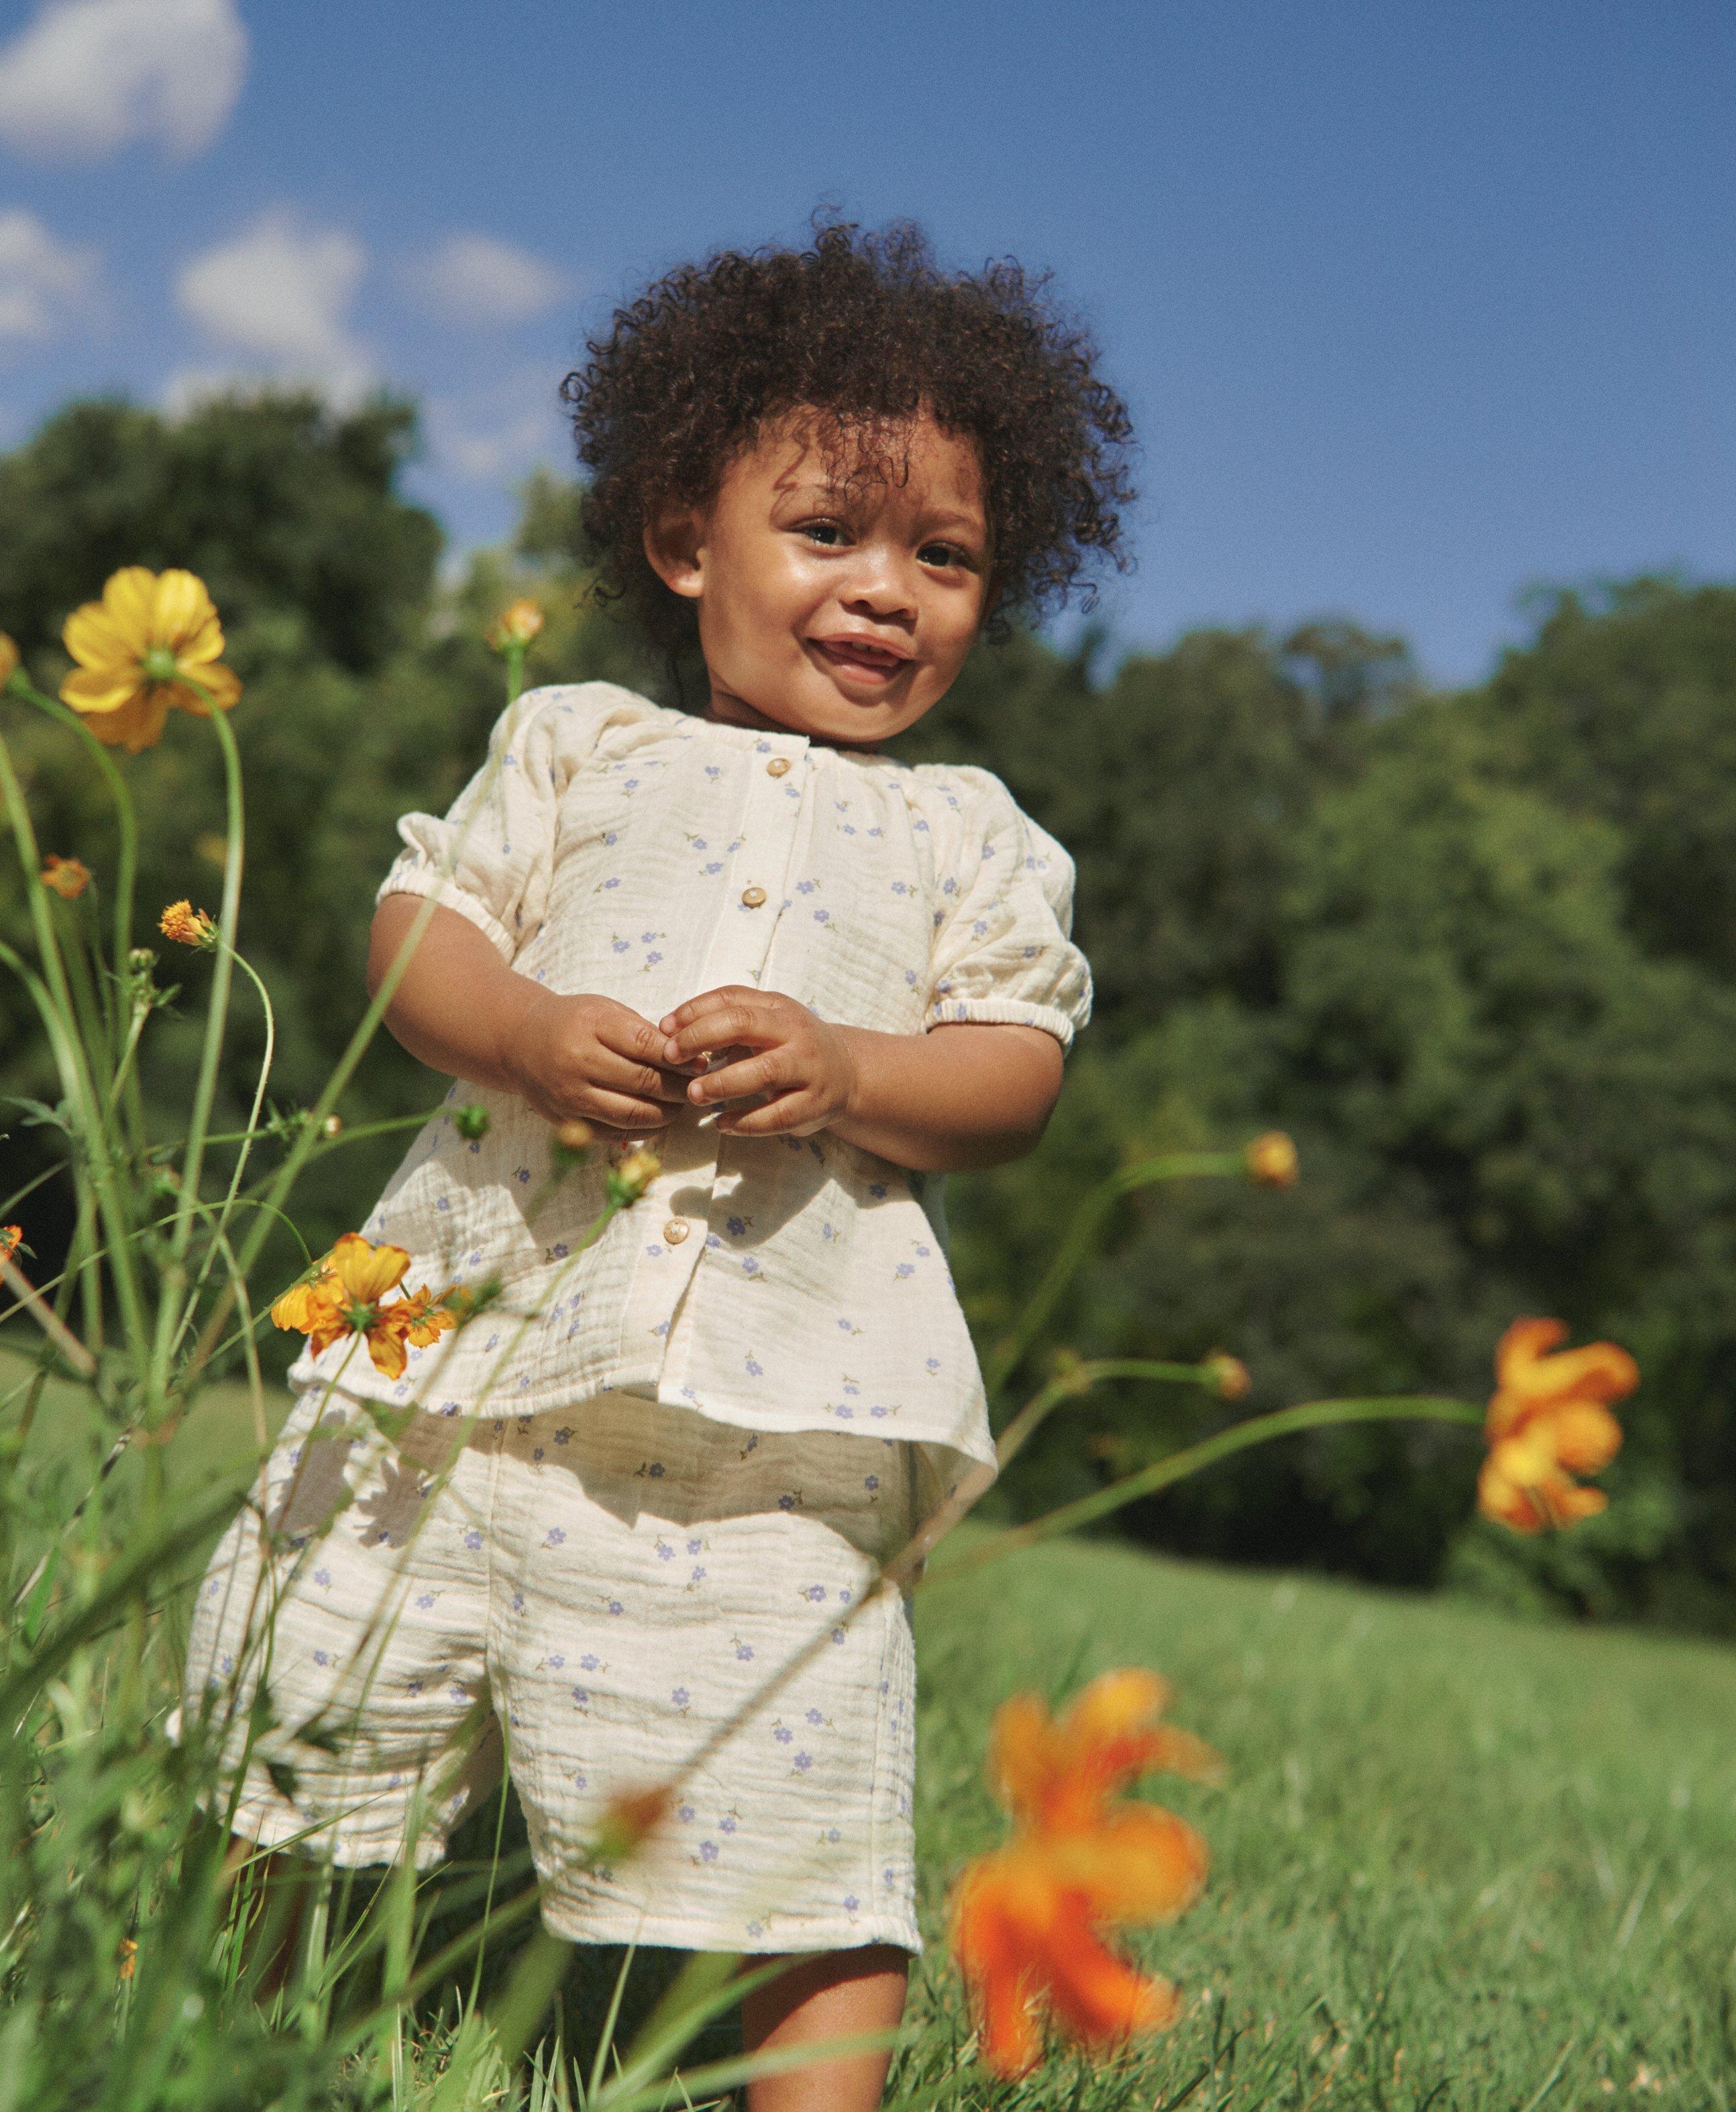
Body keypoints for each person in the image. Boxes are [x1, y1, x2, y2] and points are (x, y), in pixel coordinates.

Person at [182, 219, 1134, 2111]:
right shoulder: (572, 745)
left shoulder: (971, 833)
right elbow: (415, 935)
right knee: (306, 1706)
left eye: (941, 555)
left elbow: (1013, 1075)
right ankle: (218, 2039)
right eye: (828, 533)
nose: (887, 592)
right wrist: (526, 1035)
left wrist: (858, 1066)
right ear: (684, 542)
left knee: (797, 1785)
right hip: (453, 1350)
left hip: (771, 1410)